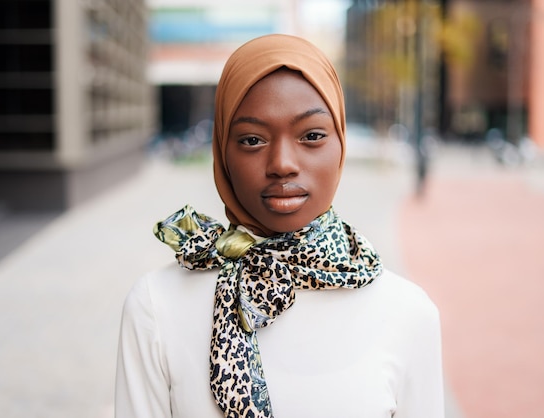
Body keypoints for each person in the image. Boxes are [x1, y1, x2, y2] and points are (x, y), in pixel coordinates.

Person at [115, 34, 444, 418]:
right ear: (222, 150)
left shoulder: (408, 313)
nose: (283, 163)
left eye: (312, 136)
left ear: (341, 143)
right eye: (252, 140)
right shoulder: (156, 307)